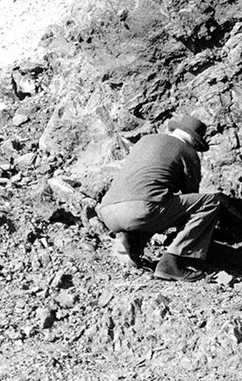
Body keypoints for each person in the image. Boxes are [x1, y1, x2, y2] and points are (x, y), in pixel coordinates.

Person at [96, 114, 227, 282]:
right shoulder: (188, 152)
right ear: (195, 141)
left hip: (108, 211)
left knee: (158, 202)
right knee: (209, 202)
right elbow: (191, 195)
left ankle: (131, 241)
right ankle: (171, 263)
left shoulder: (145, 141)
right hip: (141, 209)